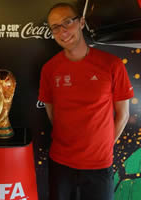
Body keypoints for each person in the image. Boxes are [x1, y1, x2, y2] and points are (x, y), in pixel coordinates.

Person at [38, 2, 134, 200]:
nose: (62, 31)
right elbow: (52, 114)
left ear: (81, 22)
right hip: (61, 164)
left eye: (67, 22)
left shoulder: (112, 65)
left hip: (99, 166)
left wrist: (104, 145)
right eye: (55, 27)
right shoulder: (49, 69)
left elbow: (123, 114)